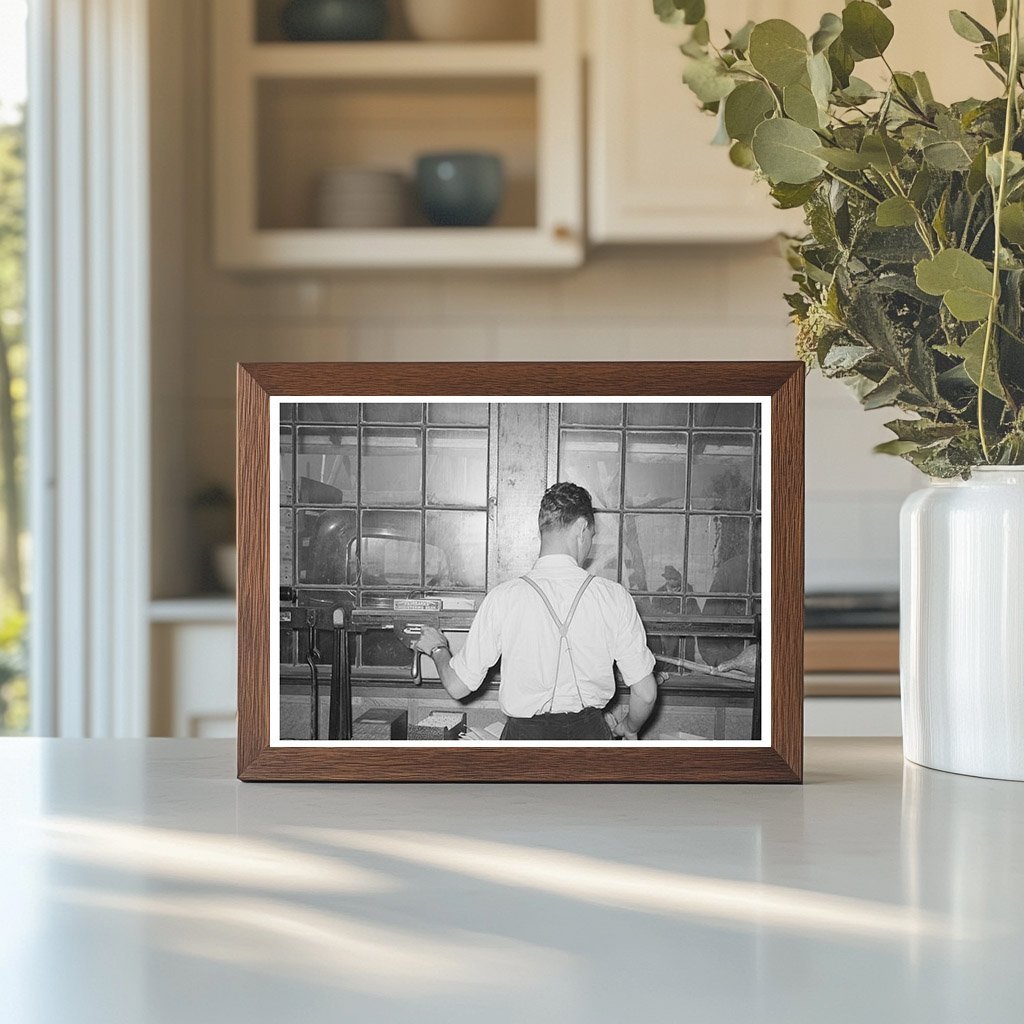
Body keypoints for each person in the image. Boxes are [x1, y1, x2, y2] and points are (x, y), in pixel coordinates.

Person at [413, 482, 659, 741]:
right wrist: (629, 727)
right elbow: (646, 693)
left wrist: (438, 648)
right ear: (582, 528)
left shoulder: (503, 598)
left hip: (525, 745)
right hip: (590, 741)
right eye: (592, 536)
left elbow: (457, 685)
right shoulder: (614, 597)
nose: (590, 544)